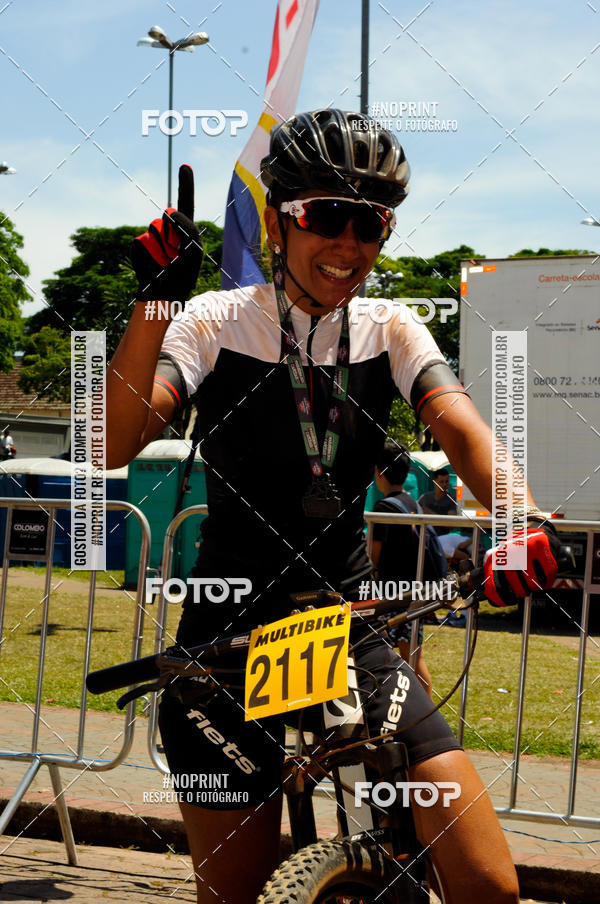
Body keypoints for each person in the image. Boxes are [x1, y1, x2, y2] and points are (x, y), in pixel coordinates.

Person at [106, 109, 559, 904]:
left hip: (351, 628)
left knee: (487, 884)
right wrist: (154, 305)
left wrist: (519, 518)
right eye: (326, 216)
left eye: (371, 223)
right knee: (235, 897)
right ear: (280, 222)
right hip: (229, 637)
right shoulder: (215, 320)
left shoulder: (390, 328)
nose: (350, 244)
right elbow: (113, 442)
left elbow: (459, 429)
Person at [370, 440, 437, 696]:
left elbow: (374, 557)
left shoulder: (383, 508)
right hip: (415, 590)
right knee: (414, 657)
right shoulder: (413, 504)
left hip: (390, 594)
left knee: (379, 655)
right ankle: (427, 718)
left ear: (379, 473)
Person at [419, 467, 457, 534]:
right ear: (435, 482)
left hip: (441, 538)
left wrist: (430, 513)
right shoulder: (425, 497)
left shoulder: (451, 500)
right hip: (424, 535)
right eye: (441, 482)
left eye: (446, 481)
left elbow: (451, 525)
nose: (445, 484)